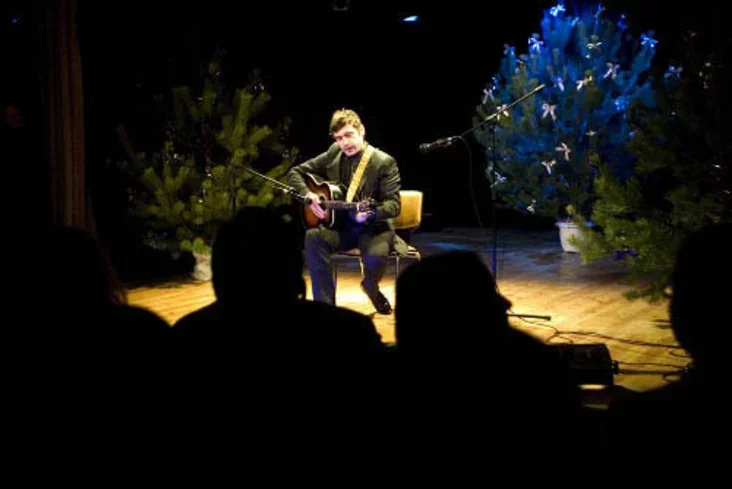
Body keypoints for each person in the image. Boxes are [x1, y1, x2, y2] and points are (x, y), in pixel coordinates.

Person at [287, 109, 401, 314]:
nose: (345, 143)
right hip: (344, 228)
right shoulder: (334, 153)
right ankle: (325, 308)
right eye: (339, 138)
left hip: (374, 228)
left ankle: (371, 287)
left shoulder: (383, 162)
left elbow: (393, 205)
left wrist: (370, 213)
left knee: (374, 258)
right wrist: (308, 194)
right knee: (313, 237)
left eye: (349, 135)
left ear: (361, 130)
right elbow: (295, 172)